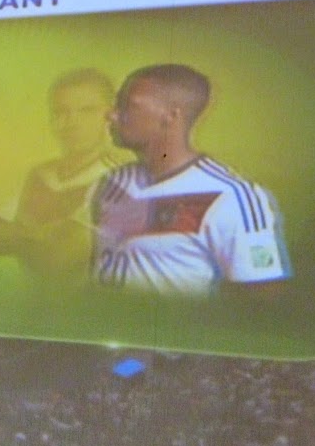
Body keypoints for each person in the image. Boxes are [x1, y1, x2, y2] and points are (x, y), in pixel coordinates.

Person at [91, 64, 291, 296]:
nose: (111, 114)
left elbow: (263, 299)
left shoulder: (231, 196)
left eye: (128, 105)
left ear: (171, 116)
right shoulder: (112, 183)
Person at [0, 68, 129, 283]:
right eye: (60, 112)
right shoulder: (38, 173)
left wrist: (18, 234)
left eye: (87, 111)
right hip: (28, 299)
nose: (72, 122)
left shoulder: (123, 180)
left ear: (111, 117)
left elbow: (57, 258)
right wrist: (42, 237)